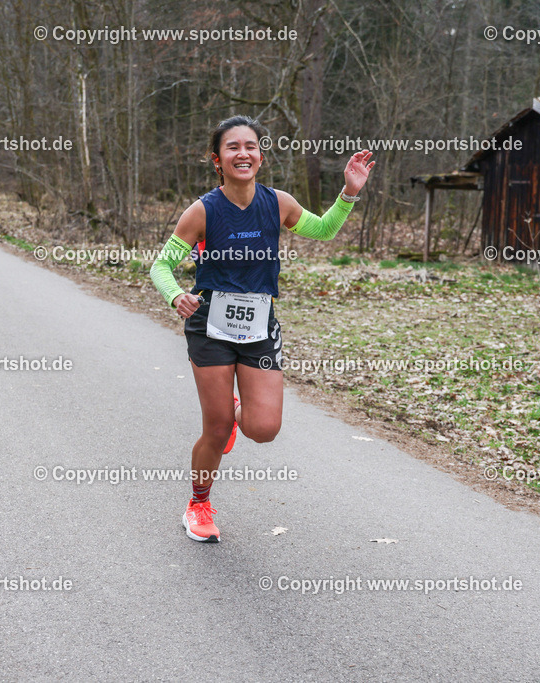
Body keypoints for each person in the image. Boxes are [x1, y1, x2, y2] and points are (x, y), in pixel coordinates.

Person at [150, 115, 374, 543]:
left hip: (259, 324)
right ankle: (198, 504)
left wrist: (348, 192)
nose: (242, 153)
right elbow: (161, 265)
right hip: (210, 323)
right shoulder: (202, 210)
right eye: (232, 147)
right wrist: (175, 294)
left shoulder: (279, 203)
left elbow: (324, 231)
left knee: (264, 428)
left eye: (250, 146)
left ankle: (236, 415)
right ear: (218, 160)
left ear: (261, 156)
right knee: (214, 430)